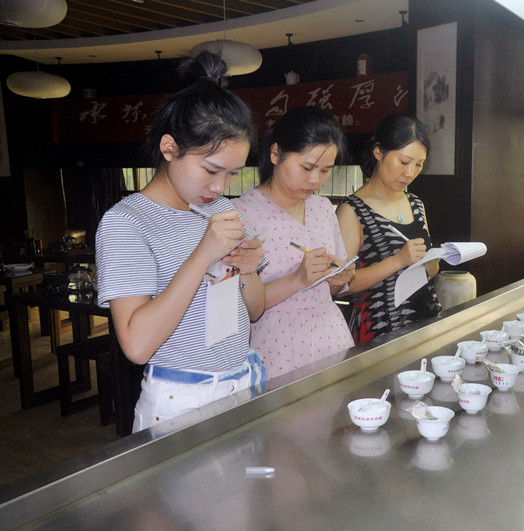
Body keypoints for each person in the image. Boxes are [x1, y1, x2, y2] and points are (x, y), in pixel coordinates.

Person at [96, 52, 268, 432]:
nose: (220, 187)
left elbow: (255, 310)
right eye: (210, 170)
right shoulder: (126, 222)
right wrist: (202, 254)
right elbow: (137, 346)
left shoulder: (224, 210)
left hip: (241, 381)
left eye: (233, 174)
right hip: (181, 399)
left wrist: (248, 270)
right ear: (169, 148)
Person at [233, 106, 354, 381]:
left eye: (325, 171)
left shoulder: (323, 208)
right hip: (276, 348)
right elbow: (244, 307)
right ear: (276, 153)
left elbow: (334, 290)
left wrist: (339, 277)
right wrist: (299, 278)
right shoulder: (243, 213)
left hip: (331, 339)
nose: (315, 180)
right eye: (307, 167)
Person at [336, 113, 442, 344]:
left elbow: (427, 271)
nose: (410, 172)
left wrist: (434, 262)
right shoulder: (352, 210)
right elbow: (342, 285)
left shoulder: (415, 203)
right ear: (378, 152)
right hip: (380, 330)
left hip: (425, 321)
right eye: (404, 162)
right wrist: (398, 260)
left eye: (419, 165)